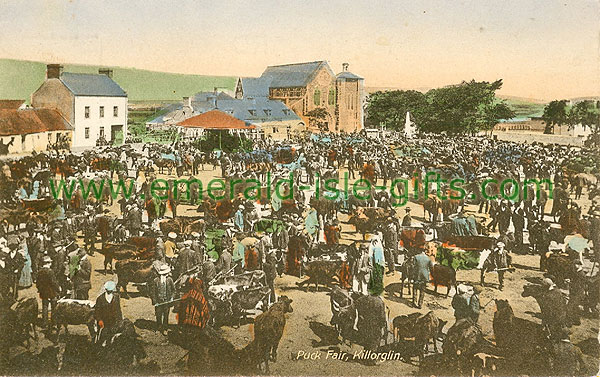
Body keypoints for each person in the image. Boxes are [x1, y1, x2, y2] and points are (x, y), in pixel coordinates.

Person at [150, 264, 175, 335]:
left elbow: (174, 290)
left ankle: (165, 328)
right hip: (158, 301)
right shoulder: (156, 281)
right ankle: (159, 327)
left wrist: (172, 298)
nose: (166, 275)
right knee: (158, 315)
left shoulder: (170, 280)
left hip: (167, 301)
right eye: (164, 274)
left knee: (166, 315)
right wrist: (155, 302)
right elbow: (153, 292)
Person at [36, 256, 60, 328]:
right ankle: (54, 322)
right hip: (51, 292)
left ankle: (44, 323)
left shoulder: (39, 271)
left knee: (45, 307)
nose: (51, 264)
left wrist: (40, 289)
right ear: (47, 263)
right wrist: (58, 289)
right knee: (54, 307)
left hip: (43, 292)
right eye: (50, 262)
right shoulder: (50, 271)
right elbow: (54, 282)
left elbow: (37, 283)